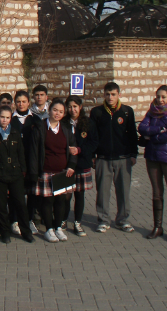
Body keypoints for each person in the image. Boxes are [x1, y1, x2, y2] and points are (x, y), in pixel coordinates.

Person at [138, 85, 167, 242]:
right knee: (157, 192)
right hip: (152, 156)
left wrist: (152, 137)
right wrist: (159, 129)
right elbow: (142, 128)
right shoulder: (152, 111)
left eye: (163, 97)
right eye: (158, 96)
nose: (160, 99)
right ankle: (157, 227)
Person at [90, 82, 138, 233]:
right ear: (103, 95)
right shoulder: (96, 112)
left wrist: (133, 154)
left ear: (119, 95)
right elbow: (93, 136)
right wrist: (92, 155)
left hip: (123, 158)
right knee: (103, 192)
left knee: (123, 191)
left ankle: (122, 220)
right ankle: (103, 220)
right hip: (103, 158)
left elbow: (132, 135)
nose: (110, 97)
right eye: (107, 94)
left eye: (113, 94)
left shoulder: (127, 111)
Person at [29, 98, 78, 243]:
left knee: (61, 201)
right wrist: (34, 172)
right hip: (45, 171)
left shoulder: (66, 129)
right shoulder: (40, 127)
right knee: (47, 201)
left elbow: (73, 150)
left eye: (61, 112)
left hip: (62, 172)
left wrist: (71, 166)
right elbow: (34, 152)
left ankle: (58, 228)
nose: (57, 113)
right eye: (55, 110)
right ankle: (49, 230)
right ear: (49, 110)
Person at [0, 106, 35, 244]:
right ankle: (4, 232)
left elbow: (20, 152)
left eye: (7, 117)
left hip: (15, 173)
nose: (4, 120)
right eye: (2, 117)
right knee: (1, 205)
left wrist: (23, 170)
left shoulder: (15, 132)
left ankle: (26, 232)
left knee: (20, 203)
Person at [61, 96, 99, 237]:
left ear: (80, 107)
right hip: (66, 164)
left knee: (79, 195)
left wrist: (80, 150)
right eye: (70, 107)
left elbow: (94, 142)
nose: (73, 109)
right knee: (66, 195)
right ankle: (63, 219)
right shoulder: (63, 123)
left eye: (75, 106)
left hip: (82, 163)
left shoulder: (88, 123)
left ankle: (77, 222)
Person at [11, 90, 40, 236]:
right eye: (18, 101)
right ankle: (16, 220)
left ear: (29, 102)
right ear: (14, 103)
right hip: (15, 163)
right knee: (17, 193)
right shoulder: (10, 119)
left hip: (31, 162)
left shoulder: (35, 119)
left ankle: (29, 220)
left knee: (31, 194)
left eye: (24, 101)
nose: (21, 104)